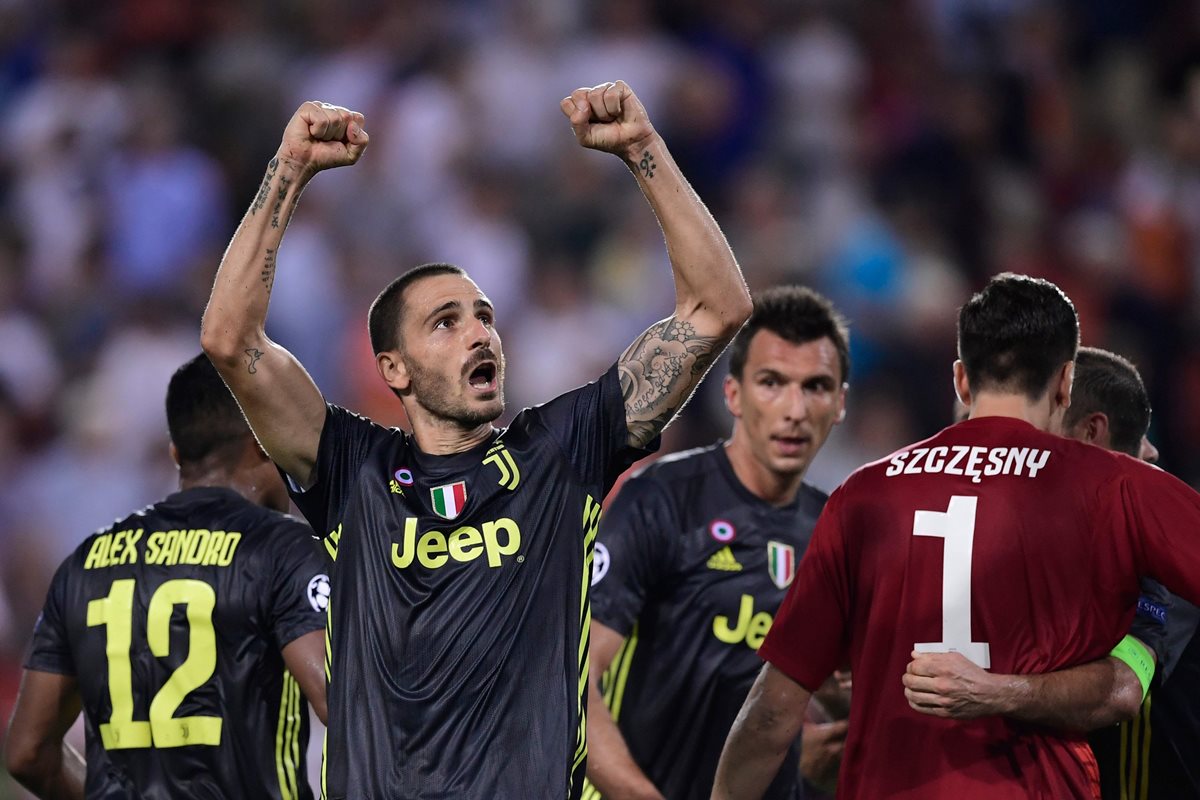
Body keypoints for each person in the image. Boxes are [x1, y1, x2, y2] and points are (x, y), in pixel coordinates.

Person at [200, 81, 751, 800]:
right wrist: (289, 169)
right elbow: (229, 339)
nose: (480, 332)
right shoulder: (353, 470)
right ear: (391, 369)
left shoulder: (559, 454)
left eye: (484, 315)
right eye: (446, 321)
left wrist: (644, 149)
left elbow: (718, 308)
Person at [712, 273, 1200, 800]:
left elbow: (771, 713)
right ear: (1065, 382)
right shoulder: (1115, 486)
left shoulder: (861, 494)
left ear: (962, 381)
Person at [4, 354, 329, 800]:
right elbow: (344, 703)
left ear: (178, 454)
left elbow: (27, 752)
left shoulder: (86, 563)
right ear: (263, 440)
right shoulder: (283, 550)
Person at [584, 286, 851, 800]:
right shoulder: (661, 501)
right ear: (733, 394)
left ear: (839, 403)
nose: (795, 409)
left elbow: (850, 700)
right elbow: (572, 679)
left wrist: (815, 761)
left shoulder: (836, 531)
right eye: (772, 382)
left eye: (815, 386)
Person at [905, 347, 1200, 800]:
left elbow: (1122, 689)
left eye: (1029, 428)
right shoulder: (982, 532)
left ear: (1089, 432)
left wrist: (994, 692)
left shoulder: (1159, 543)